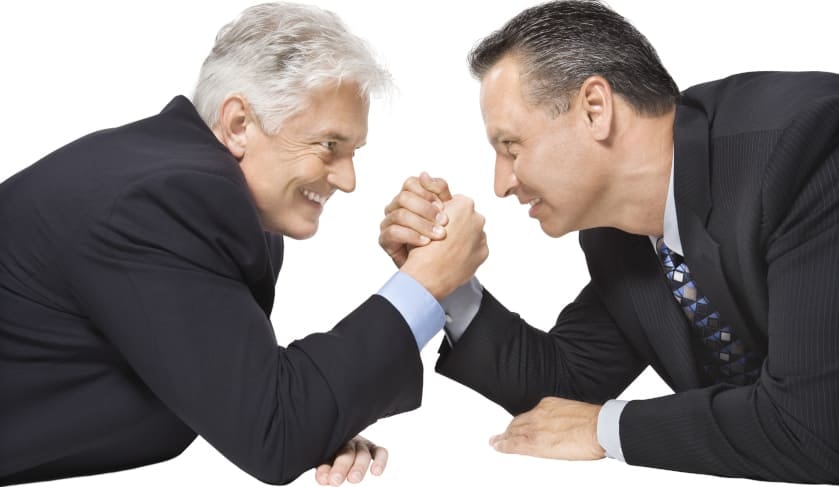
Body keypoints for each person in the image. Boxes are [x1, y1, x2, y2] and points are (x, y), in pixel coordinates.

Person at [0, 2, 488, 486]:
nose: (348, 179)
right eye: (329, 146)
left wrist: (320, 420)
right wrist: (423, 283)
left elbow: (232, 388)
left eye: (353, 152)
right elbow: (273, 429)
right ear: (238, 125)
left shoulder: (210, 201)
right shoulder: (166, 203)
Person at [380, 0, 839, 483]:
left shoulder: (805, 147)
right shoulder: (619, 236)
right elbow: (565, 391)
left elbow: (814, 424)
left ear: (595, 109)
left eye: (511, 146)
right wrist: (444, 277)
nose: (501, 184)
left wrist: (608, 427)